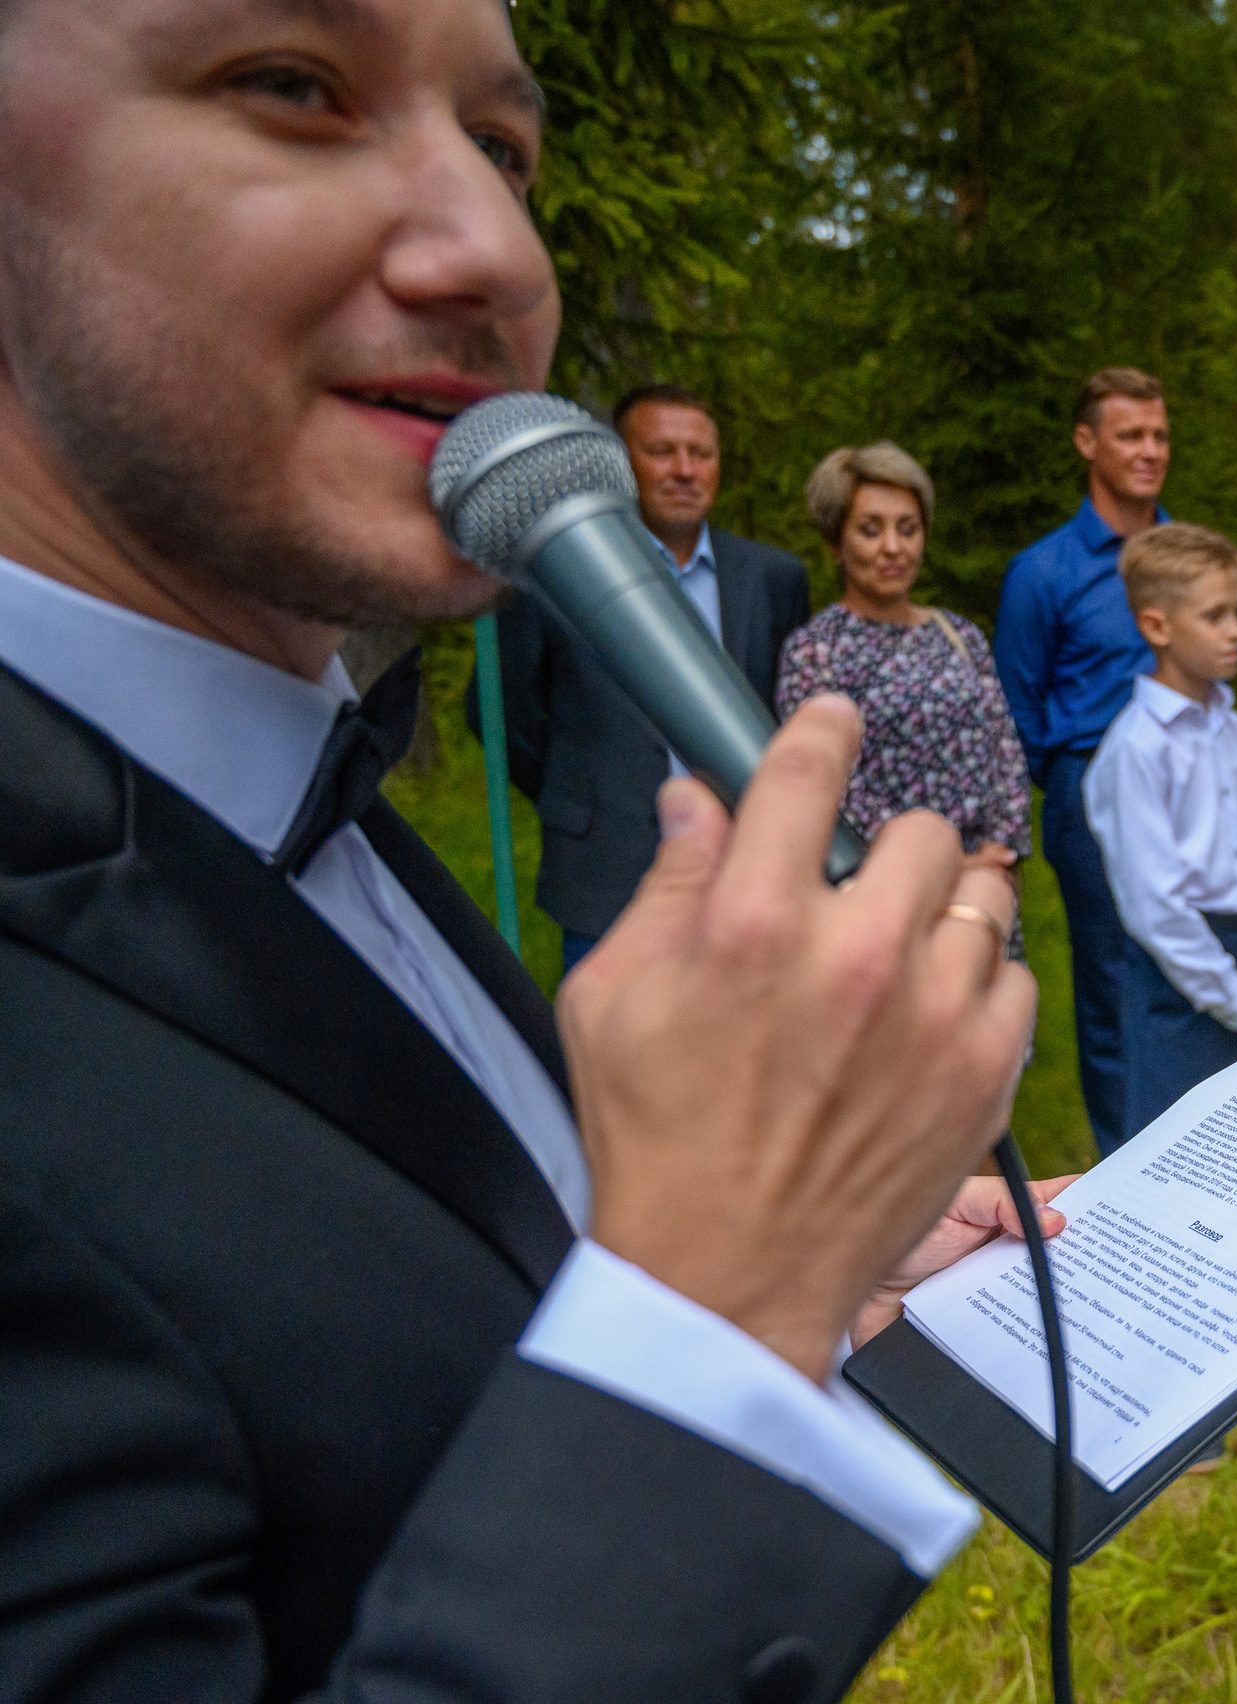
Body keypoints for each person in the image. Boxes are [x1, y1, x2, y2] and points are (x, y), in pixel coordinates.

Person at [0, 2, 1064, 1695]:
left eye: (504, 148)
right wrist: (727, 1299)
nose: (496, 248)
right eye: (292, 87)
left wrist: (789, 1227)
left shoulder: (304, 808)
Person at [469, 382, 812, 972]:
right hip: (606, 879)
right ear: (620, 463)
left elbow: (789, 713)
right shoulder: (556, 579)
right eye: (660, 452)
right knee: (605, 1058)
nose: (684, 470)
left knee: (740, 1057)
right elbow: (502, 716)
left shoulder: (772, 579)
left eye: (700, 453)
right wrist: (579, 794)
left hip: (742, 873)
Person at [995, 367, 1170, 1146]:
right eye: (1131, 434)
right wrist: (1074, 784)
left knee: (1191, 973)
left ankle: (1199, 1143)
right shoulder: (1045, 571)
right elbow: (1016, 709)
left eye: (1160, 435)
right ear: (1086, 441)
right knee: (1112, 982)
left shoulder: (1183, 557)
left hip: (1189, 787)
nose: (1150, 450)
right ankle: (1130, 1157)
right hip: (1090, 791)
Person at [1083, 524, 1237, 1149]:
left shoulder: (1234, 732)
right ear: (1157, 627)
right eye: (1215, 615)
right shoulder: (1135, 750)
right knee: (1177, 1150)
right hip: (1180, 983)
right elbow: (1156, 906)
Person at [777, 442, 1032, 922]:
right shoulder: (816, 651)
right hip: (883, 888)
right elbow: (828, 782)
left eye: (908, 529)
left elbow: (1005, 751)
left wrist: (1001, 850)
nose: (893, 547)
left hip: (987, 883)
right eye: (870, 530)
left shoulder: (957, 635)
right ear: (836, 542)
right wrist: (939, 863)